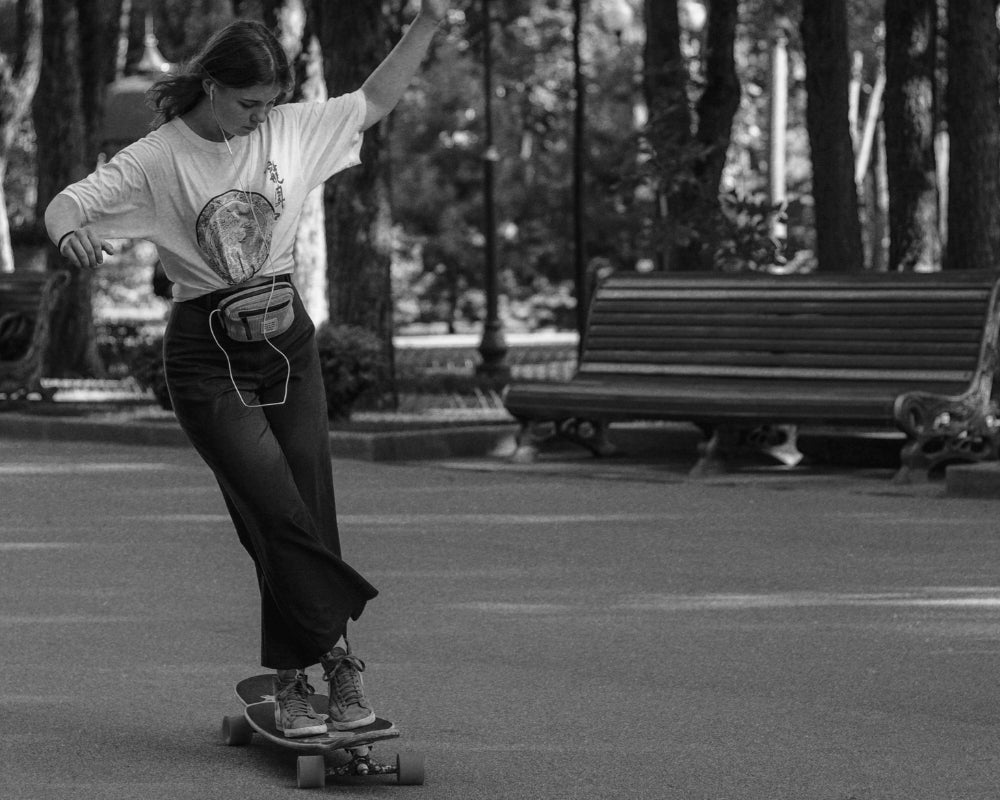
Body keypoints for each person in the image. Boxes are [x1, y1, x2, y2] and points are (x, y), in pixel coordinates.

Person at [44, 2, 449, 738]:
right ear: (211, 86)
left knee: (305, 506)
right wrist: (70, 232)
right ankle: (335, 658)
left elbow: (375, 99)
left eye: (269, 103)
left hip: (287, 341)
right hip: (207, 356)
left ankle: (297, 680)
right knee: (274, 510)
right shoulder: (159, 157)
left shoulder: (290, 128)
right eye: (247, 103)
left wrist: (425, 23)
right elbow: (68, 203)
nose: (261, 117)